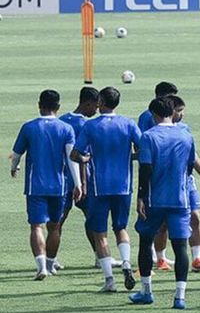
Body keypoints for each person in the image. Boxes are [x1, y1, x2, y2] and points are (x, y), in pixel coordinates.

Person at [130, 96, 200, 309]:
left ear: (154, 114)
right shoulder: (186, 135)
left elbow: (145, 169)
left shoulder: (148, 136)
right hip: (180, 199)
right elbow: (191, 163)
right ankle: (180, 297)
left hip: (154, 199)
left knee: (146, 242)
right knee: (180, 246)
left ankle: (146, 291)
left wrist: (140, 197)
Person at [71, 86, 141, 293]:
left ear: (100, 101)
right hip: (123, 185)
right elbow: (142, 148)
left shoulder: (91, 126)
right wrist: (128, 157)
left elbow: (75, 154)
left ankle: (110, 280)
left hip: (99, 187)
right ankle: (127, 263)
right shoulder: (128, 123)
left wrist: (86, 158)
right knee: (121, 228)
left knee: (100, 233)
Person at [10, 90, 81, 280]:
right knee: (55, 226)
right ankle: (50, 264)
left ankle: (41, 267)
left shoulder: (29, 127)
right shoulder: (66, 129)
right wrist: (78, 184)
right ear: (58, 107)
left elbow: (17, 153)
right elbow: (71, 158)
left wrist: (14, 167)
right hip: (59, 186)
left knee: (36, 226)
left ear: (39, 105)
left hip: (36, 186)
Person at [168, 95, 200, 272]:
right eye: (179, 111)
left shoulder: (184, 128)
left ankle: (197, 259)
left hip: (187, 181)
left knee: (195, 216)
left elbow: (191, 154)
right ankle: (159, 257)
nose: (182, 114)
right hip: (169, 183)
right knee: (162, 223)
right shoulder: (159, 130)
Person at [57, 86, 100, 269]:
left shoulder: (61, 120)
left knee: (58, 219)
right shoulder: (86, 125)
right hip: (83, 179)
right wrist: (81, 183)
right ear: (88, 103)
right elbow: (80, 156)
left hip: (61, 179)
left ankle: (52, 257)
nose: (97, 110)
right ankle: (100, 256)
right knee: (92, 217)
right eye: (96, 106)